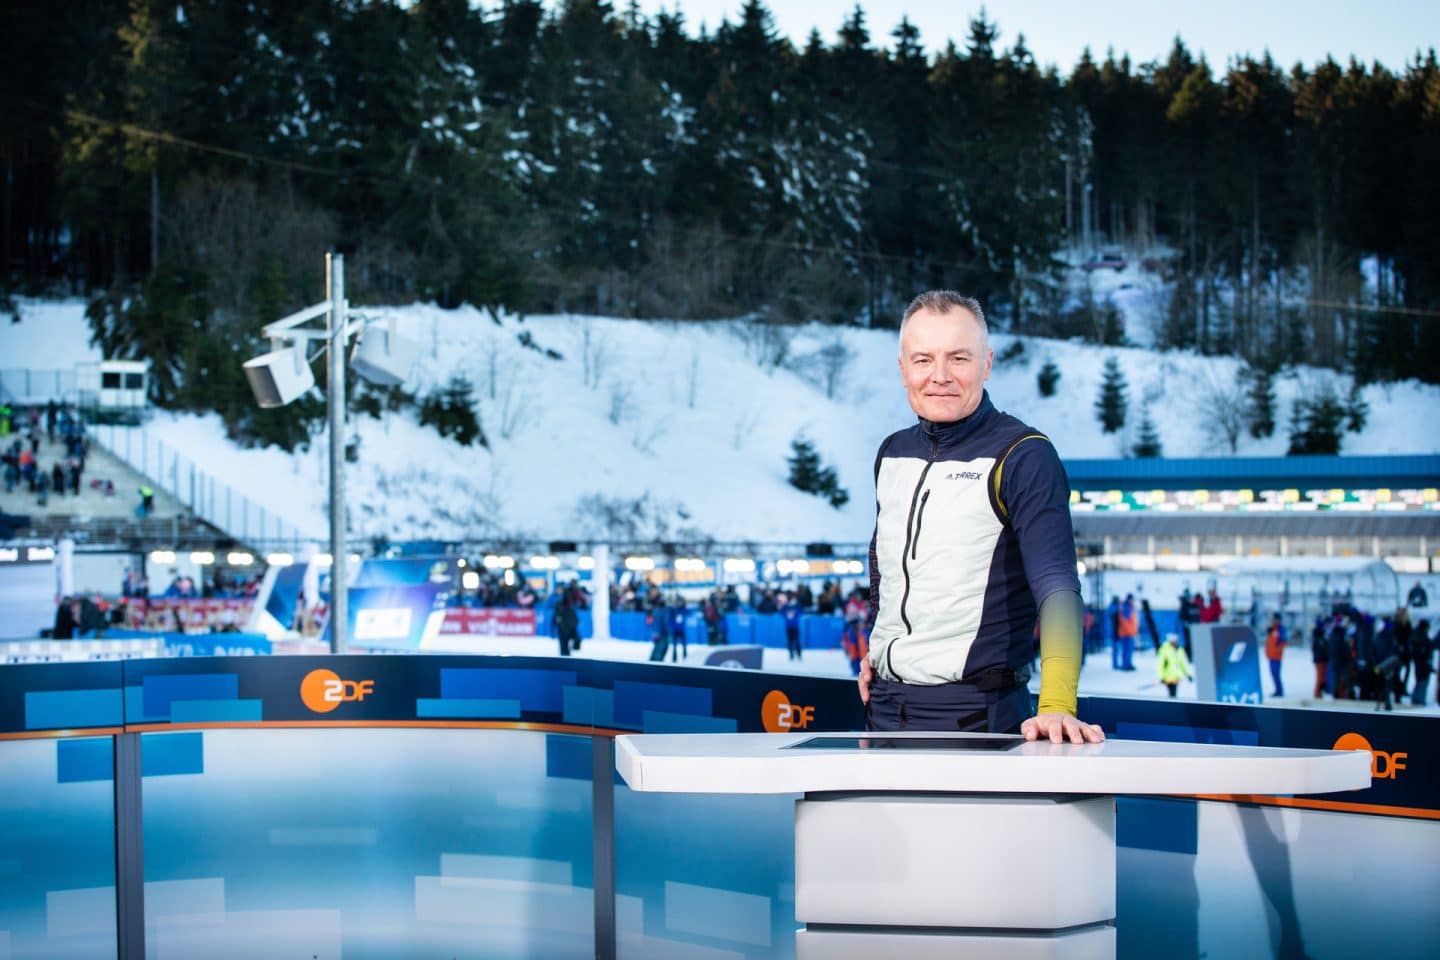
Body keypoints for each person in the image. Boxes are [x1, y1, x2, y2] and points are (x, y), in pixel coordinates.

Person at [857, 291, 1103, 744]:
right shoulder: (892, 453)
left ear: (986, 364)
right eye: (923, 359)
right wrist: (877, 650)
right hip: (883, 712)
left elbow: (1058, 586)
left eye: (959, 358)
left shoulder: (1024, 455)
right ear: (902, 368)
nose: (940, 376)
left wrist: (1056, 706)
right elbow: (886, 570)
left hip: (977, 718)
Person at [1157, 633, 1192, 697]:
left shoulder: (1180, 650)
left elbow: (1183, 664)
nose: (1175, 642)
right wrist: (1162, 677)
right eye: (1174, 641)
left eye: (1176, 641)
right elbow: (1161, 665)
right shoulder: (1164, 650)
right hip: (1168, 677)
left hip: (1176, 677)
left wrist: (1188, 675)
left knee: (1174, 694)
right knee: (1172, 693)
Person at [1264, 613, 1286, 698]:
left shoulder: (1281, 629)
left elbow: (1283, 642)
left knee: (1276, 674)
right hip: (1271, 656)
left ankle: (1279, 691)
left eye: (1275, 619)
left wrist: (1277, 650)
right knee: (1273, 674)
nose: (1273, 621)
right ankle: (1277, 690)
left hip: (1276, 656)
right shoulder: (1272, 629)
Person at [1114, 594, 1138, 671]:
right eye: (1132, 599)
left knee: (1129, 650)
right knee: (1126, 650)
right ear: (1129, 599)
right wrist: (1129, 631)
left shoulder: (1129, 607)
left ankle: (1128, 664)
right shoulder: (1126, 608)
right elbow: (1124, 621)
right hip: (1126, 634)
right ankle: (1126, 665)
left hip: (1129, 633)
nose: (1133, 601)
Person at [553, 592, 580, 657]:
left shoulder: (570, 606)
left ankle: (566, 656)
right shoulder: (561, 605)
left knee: (565, 647)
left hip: (567, 628)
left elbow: (575, 619)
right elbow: (557, 617)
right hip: (564, 628)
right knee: (564, 647)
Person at [782, 594, 803, 660]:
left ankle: (799, 654)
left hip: (795, 627)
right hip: (789, 627)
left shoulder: (796, 607)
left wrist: (797, 604)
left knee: (796, 641)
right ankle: (791, 654)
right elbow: (781, 612)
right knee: (790, 641)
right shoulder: (786, 608)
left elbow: (801, 611)